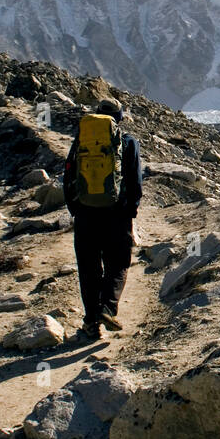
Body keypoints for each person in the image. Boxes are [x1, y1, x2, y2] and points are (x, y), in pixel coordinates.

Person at [63, 97, 143, 341]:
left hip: (86, 213)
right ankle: (107, 308)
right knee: (118, 263)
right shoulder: (128, 142)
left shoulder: (82, 142)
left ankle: (91, 322)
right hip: (116, 214)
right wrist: (131, 210)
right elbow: (135, 181)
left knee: (88, 267)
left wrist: (75, 208)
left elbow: (68, 176)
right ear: (119, 117)